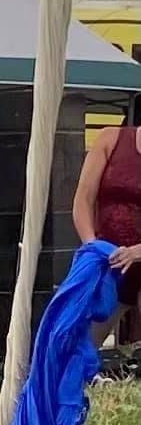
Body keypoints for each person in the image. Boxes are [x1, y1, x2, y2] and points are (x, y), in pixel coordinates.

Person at [72, 123, 141, 342]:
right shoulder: (110, 139)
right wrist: (93, 247)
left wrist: (138, 252)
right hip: (109, 262)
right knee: (81, 345)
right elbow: (83, 200)